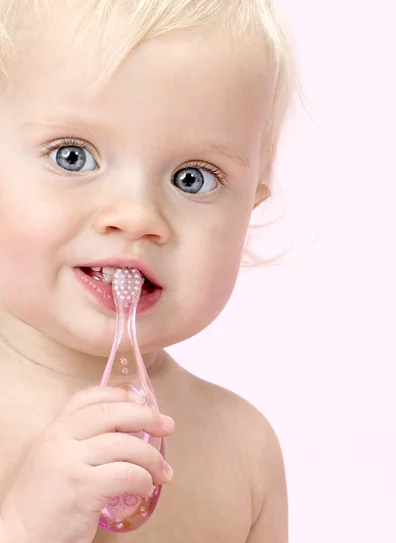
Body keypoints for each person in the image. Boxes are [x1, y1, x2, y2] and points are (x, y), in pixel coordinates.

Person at [0, 1, 296, 541]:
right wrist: (23, 525)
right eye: (72, 156)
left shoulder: (243, 449)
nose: (137, 216)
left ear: (249, 210)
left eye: (192, 179)